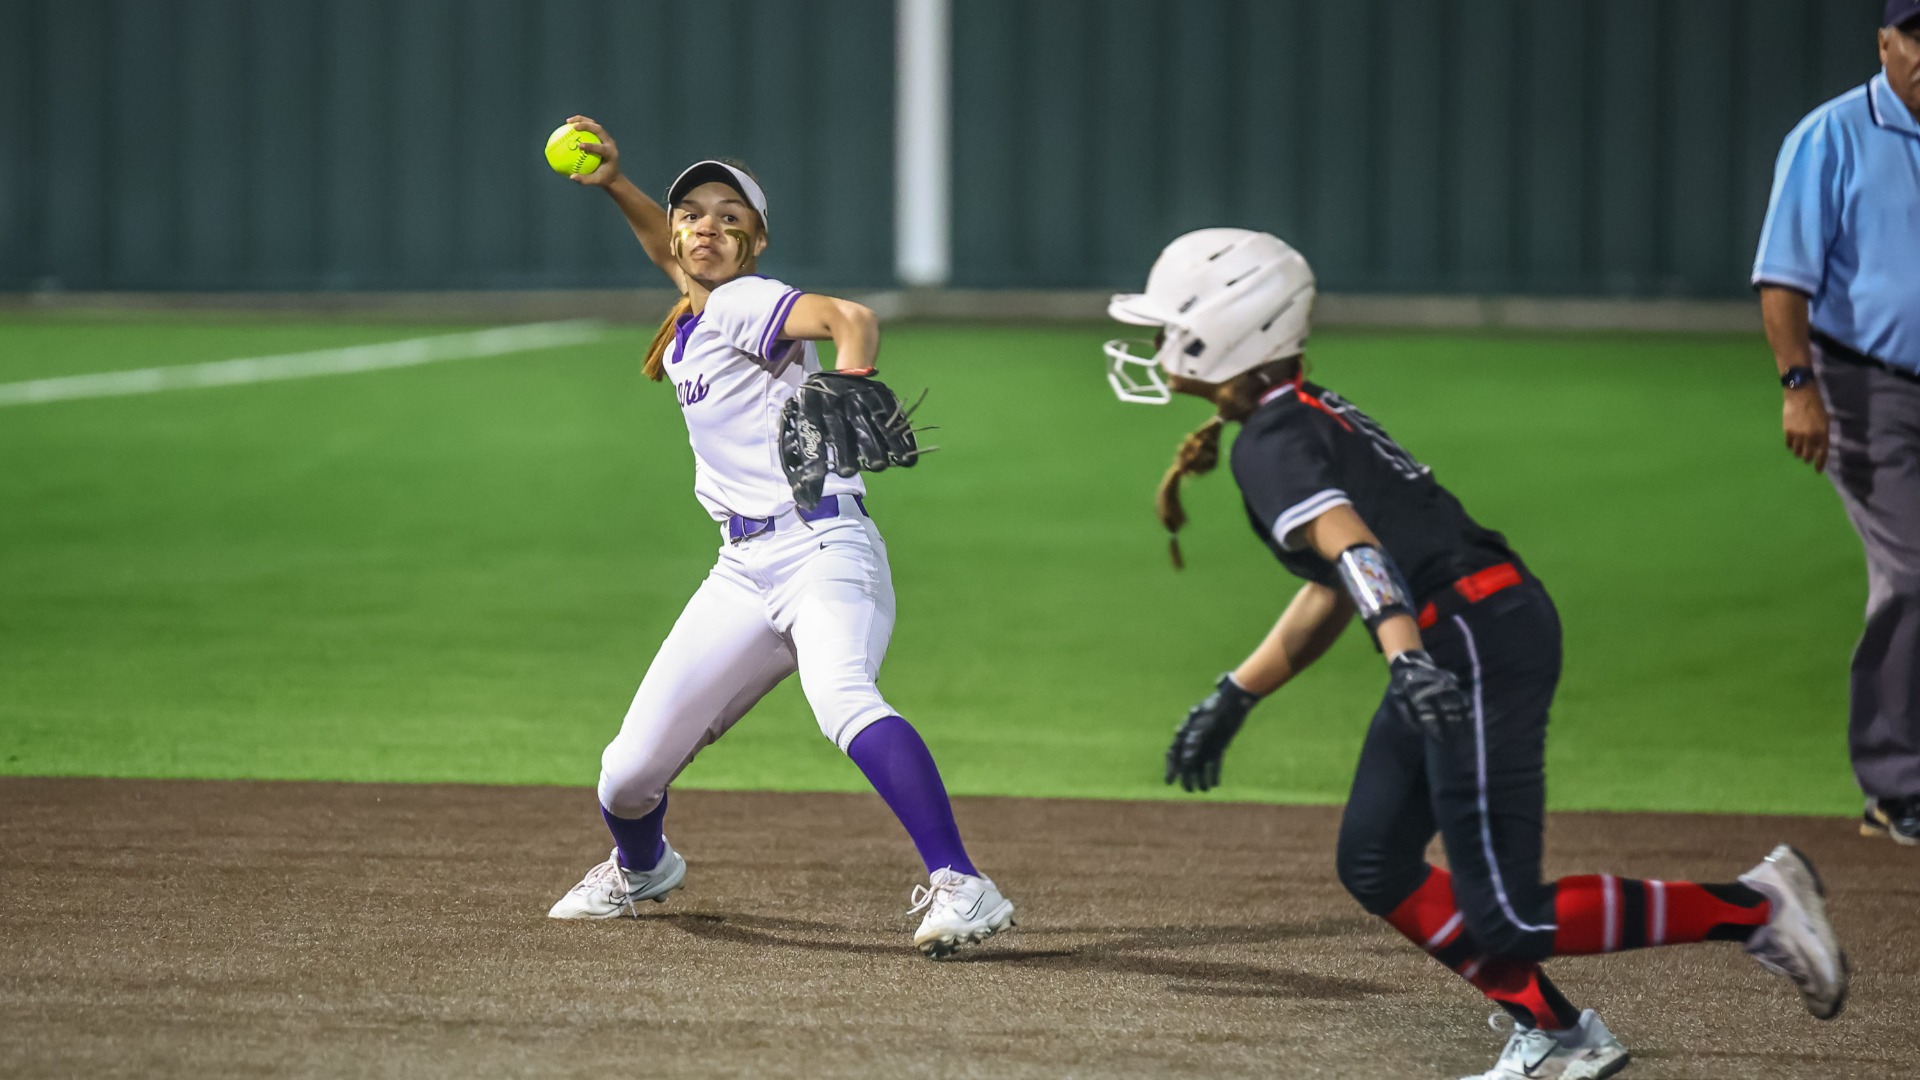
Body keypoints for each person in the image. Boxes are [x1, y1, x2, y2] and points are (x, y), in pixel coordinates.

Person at [1105, 229, 1848, 1079]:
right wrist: (1238, 693)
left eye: (1173, 325)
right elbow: (1335, 580)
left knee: (1511, 920)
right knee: (1377, 860)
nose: (1160, 345)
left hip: (1472, 638)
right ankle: (1561, 1037)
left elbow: (1356, 554)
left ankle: (1756, 907)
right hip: (1454, 632)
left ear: (1227, 330)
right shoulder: (1297, 418)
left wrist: (1405, 661)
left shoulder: (1271, 444)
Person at [542, 117, 1014, 959]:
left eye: (731, 217)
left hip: (823, 553)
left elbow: (849, 317)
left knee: (842, 698)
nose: (705, 227)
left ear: (755, 243)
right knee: (627, 774)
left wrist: (854, 377)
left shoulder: (744, 303)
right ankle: (642, 868)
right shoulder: (696, 306)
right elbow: (668, 254)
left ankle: (962, 882)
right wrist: (617, 184)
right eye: (694, 213)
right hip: (741, 569)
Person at [1754, 0, 1920, 846]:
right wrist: (1798, 384)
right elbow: (1782, 278)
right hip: (1867, 390)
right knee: (1914, 571)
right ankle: (1895, 785)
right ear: (1886, 41)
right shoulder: (1830, 136)